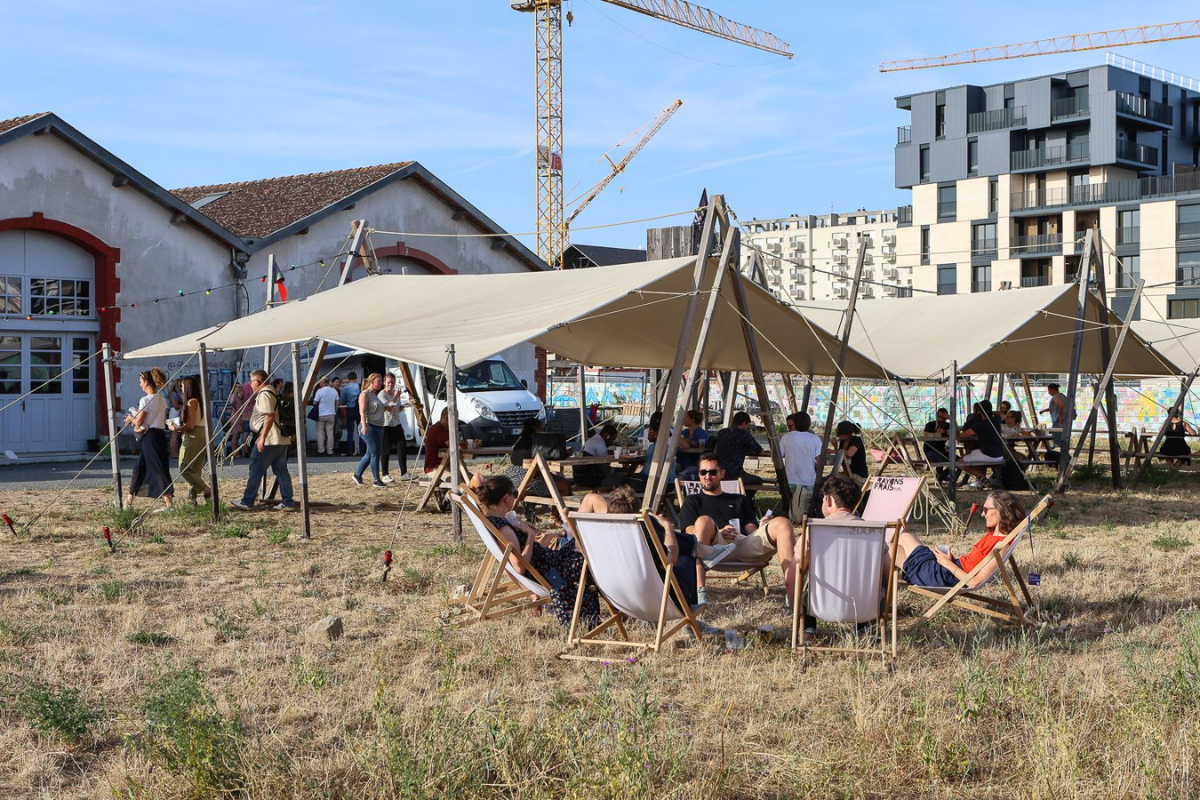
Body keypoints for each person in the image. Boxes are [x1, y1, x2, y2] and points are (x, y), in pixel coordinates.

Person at [472, 475, 600, 627]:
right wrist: (530, 535)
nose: (515, 497)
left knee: (585, 543)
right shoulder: (504, 529)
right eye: (515, 493)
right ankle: (620, 604)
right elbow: (519, 567)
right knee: (595, 555)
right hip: (555, 570)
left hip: (553, 562)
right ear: (506, 498)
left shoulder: (494, 520)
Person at [679, 453, 799, 604]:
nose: (707, 476)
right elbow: (689, 533)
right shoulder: (693, 500)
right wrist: (718, 532)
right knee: (703, 521)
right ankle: (699, 594)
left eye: (712, 472)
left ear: (722, 473)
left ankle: (792, 590)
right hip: (713, 548)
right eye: (703, 472)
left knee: (783, 523)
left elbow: (751, 531)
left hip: (742, 543)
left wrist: (762, 527)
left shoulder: (739, 499)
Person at [602, 484, 732, 614]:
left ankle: (698, 548)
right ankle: (690, 619)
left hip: (615, 597)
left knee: (653, 525)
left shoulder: (599, 535)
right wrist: (667, 526)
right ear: (637, 509)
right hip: (649, 597)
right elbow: (671, 560)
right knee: (686, 556)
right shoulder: (641, 538)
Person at [891, 491, 1026, 589]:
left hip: (943, 578)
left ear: (1001, 511)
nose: (982, 514)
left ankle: (884, 600)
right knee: (904, 537)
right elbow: (971, 564)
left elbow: (974, 582)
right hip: (947, 570)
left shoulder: (1002, 545)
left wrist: (947, 564)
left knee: (889, 550)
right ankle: (886, 592)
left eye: (986, 509)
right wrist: (950, 560)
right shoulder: (993, 535)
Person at [799, 475, 863, 642]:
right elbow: (887, 572)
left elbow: (794, 574)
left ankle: (807, 627)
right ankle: (864, 628)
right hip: (864, 606)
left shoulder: (813, 530)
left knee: (800, 571)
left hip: (820, 604)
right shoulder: (873, 532)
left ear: (828, 500)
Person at [229, 369, 296, 511]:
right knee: (281, 470)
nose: (250, 385)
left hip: (270, 440)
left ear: (257, 382)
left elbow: (269, 416)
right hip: (280, 439)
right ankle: (287, 501)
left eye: (251, 381)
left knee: (256, 469)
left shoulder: (264, 394)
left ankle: (247, 501)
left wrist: (262, 438)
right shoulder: (272, 391)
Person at [123, 367, 174, 512]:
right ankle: (128, 500)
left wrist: (130, 419)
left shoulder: (145, 399)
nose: (140, 384)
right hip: (159, 435)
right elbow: (163, 420)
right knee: (139, 468)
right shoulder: (162, 399)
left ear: (146, 382)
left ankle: (169, 503)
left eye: (140, 381)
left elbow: (139, 422)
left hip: (149, 436)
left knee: (157, 468)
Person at [174, 374, 211, 504]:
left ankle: (206, 489)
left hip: (194, 435)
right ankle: (192, 499)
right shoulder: (200, 400)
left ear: (188, 387)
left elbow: (190, 425)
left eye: (183, 386)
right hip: (202, 433)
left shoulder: (191, 402)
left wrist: (176, 429)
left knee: (184, 467)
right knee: (195, 469)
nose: (182, 388)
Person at [779, 411, 823, 513]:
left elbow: (778, 456)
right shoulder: (815, 439)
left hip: (788, 481)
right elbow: (820, 461)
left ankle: (790, 509)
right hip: (808, 482)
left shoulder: (786, 437)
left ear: (795, 423)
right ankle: (806, 511)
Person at [713, 411, 766, 491]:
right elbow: (761, 452)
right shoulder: (744, 434)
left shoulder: (722, 432)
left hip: (719, 473)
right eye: (748, 424)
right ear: (744, 423)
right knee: (758, 481)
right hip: (736, 474)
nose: (748, 427)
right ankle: (746, 498)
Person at [958, 401, 1006, 487]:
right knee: (975, 453)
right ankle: (982, 479)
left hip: (988, 454)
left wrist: (954, 424)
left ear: (979, 412)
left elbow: (961, 436)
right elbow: (1001, 414)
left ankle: (981, 477)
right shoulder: (996, 420)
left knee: (959, 462)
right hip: (999, 456)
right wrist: (989, 412)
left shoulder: (980, 425)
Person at [352, 373, 388, 488]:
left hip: (378, 426)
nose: (380, 383)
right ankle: (376, 480)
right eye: (379, 380)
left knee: (370, 453)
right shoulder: (365, 394)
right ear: (372, 382)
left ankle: (357, 475)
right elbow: (362, 411)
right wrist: (364, 426)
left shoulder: (374, 395)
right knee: (375, 453)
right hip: (369, 425)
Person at [378, 372, 409, 481]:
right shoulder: (382, 395)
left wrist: (401, 407)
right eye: (388, 383)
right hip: (386, 425)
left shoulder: (395, 393)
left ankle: (404, 473)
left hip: (396, 423)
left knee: (402, 447)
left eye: (392, 383)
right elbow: (389, 408)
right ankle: (385, 474)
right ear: (384, 383)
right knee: (386, 450)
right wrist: (396, 396)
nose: (390, 385)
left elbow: (397, 407)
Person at [423, 408, 459, 473]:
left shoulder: (445, 429)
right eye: (456, 419)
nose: (456, 422)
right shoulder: (438, 428)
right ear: (448, 418)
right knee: (462, 479)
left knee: (470, 477)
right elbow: (453, 445)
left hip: (443, 467)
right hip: (435, 468)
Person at [311, 377, 340, 456]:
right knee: (330, 433)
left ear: (322, 383)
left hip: (321, 414)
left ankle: (321, 450)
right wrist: (335, 411)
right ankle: (330, 451)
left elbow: (314, 403)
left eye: (319, 382)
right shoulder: (334, 391)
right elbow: (337, 402)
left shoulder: (319, 391)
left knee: (320, 432)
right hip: (331, 414)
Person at [676, 409, 709, 478]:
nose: (683, 419)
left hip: (695, 463)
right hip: (681, 462)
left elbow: (701, 445)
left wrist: (685, 440)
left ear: (693, 420)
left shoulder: (702, 433)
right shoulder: (684, 432)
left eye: (686, 417)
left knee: (682, 475)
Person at [923, 407, 951, 482]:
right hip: (930, 450)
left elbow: (955, 434)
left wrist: (952, 420)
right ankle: (941, 474)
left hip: (942, 450)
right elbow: (925, 435)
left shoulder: (948, 425)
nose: (942, 419)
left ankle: (942, 475)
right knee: (941, 459)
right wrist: (936, 434)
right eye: (940, 417)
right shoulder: (930, 424)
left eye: (944, 417)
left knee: (958, 460)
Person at [226, 381, 251, 458]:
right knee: (235, 435)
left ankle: (236, 452)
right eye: (238, 387)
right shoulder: (233, 396)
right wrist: (236, 409)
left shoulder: (237, 396)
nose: (240, 388)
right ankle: (234, 453)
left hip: (239, 417)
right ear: (234, 388)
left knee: (237, 435)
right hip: (235, 418)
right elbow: (232, 403)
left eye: (240, 387)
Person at [340, 371, 362, 456]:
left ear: (348, 379)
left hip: (350, 409)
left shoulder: (345, 388)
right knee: (360, 430)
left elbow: (342, 401)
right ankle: (361, 450)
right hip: (358, 409)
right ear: (356, 378)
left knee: (350, 431)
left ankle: (350, 451)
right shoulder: (359, 386)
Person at [1042, 383, 1068, 451]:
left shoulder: (1056, 397)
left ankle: (1058, 447)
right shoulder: (1063, 396)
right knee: (1061, 434)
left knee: (1056, 434)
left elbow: (1061, 406)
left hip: (1058, 419)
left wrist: (1060, 416)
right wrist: (1044, 410)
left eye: (1049, 390)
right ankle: (1062, 447)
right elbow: (1054, 407)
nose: (1049, 392)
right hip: (1062, 419)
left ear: (1053, 389)